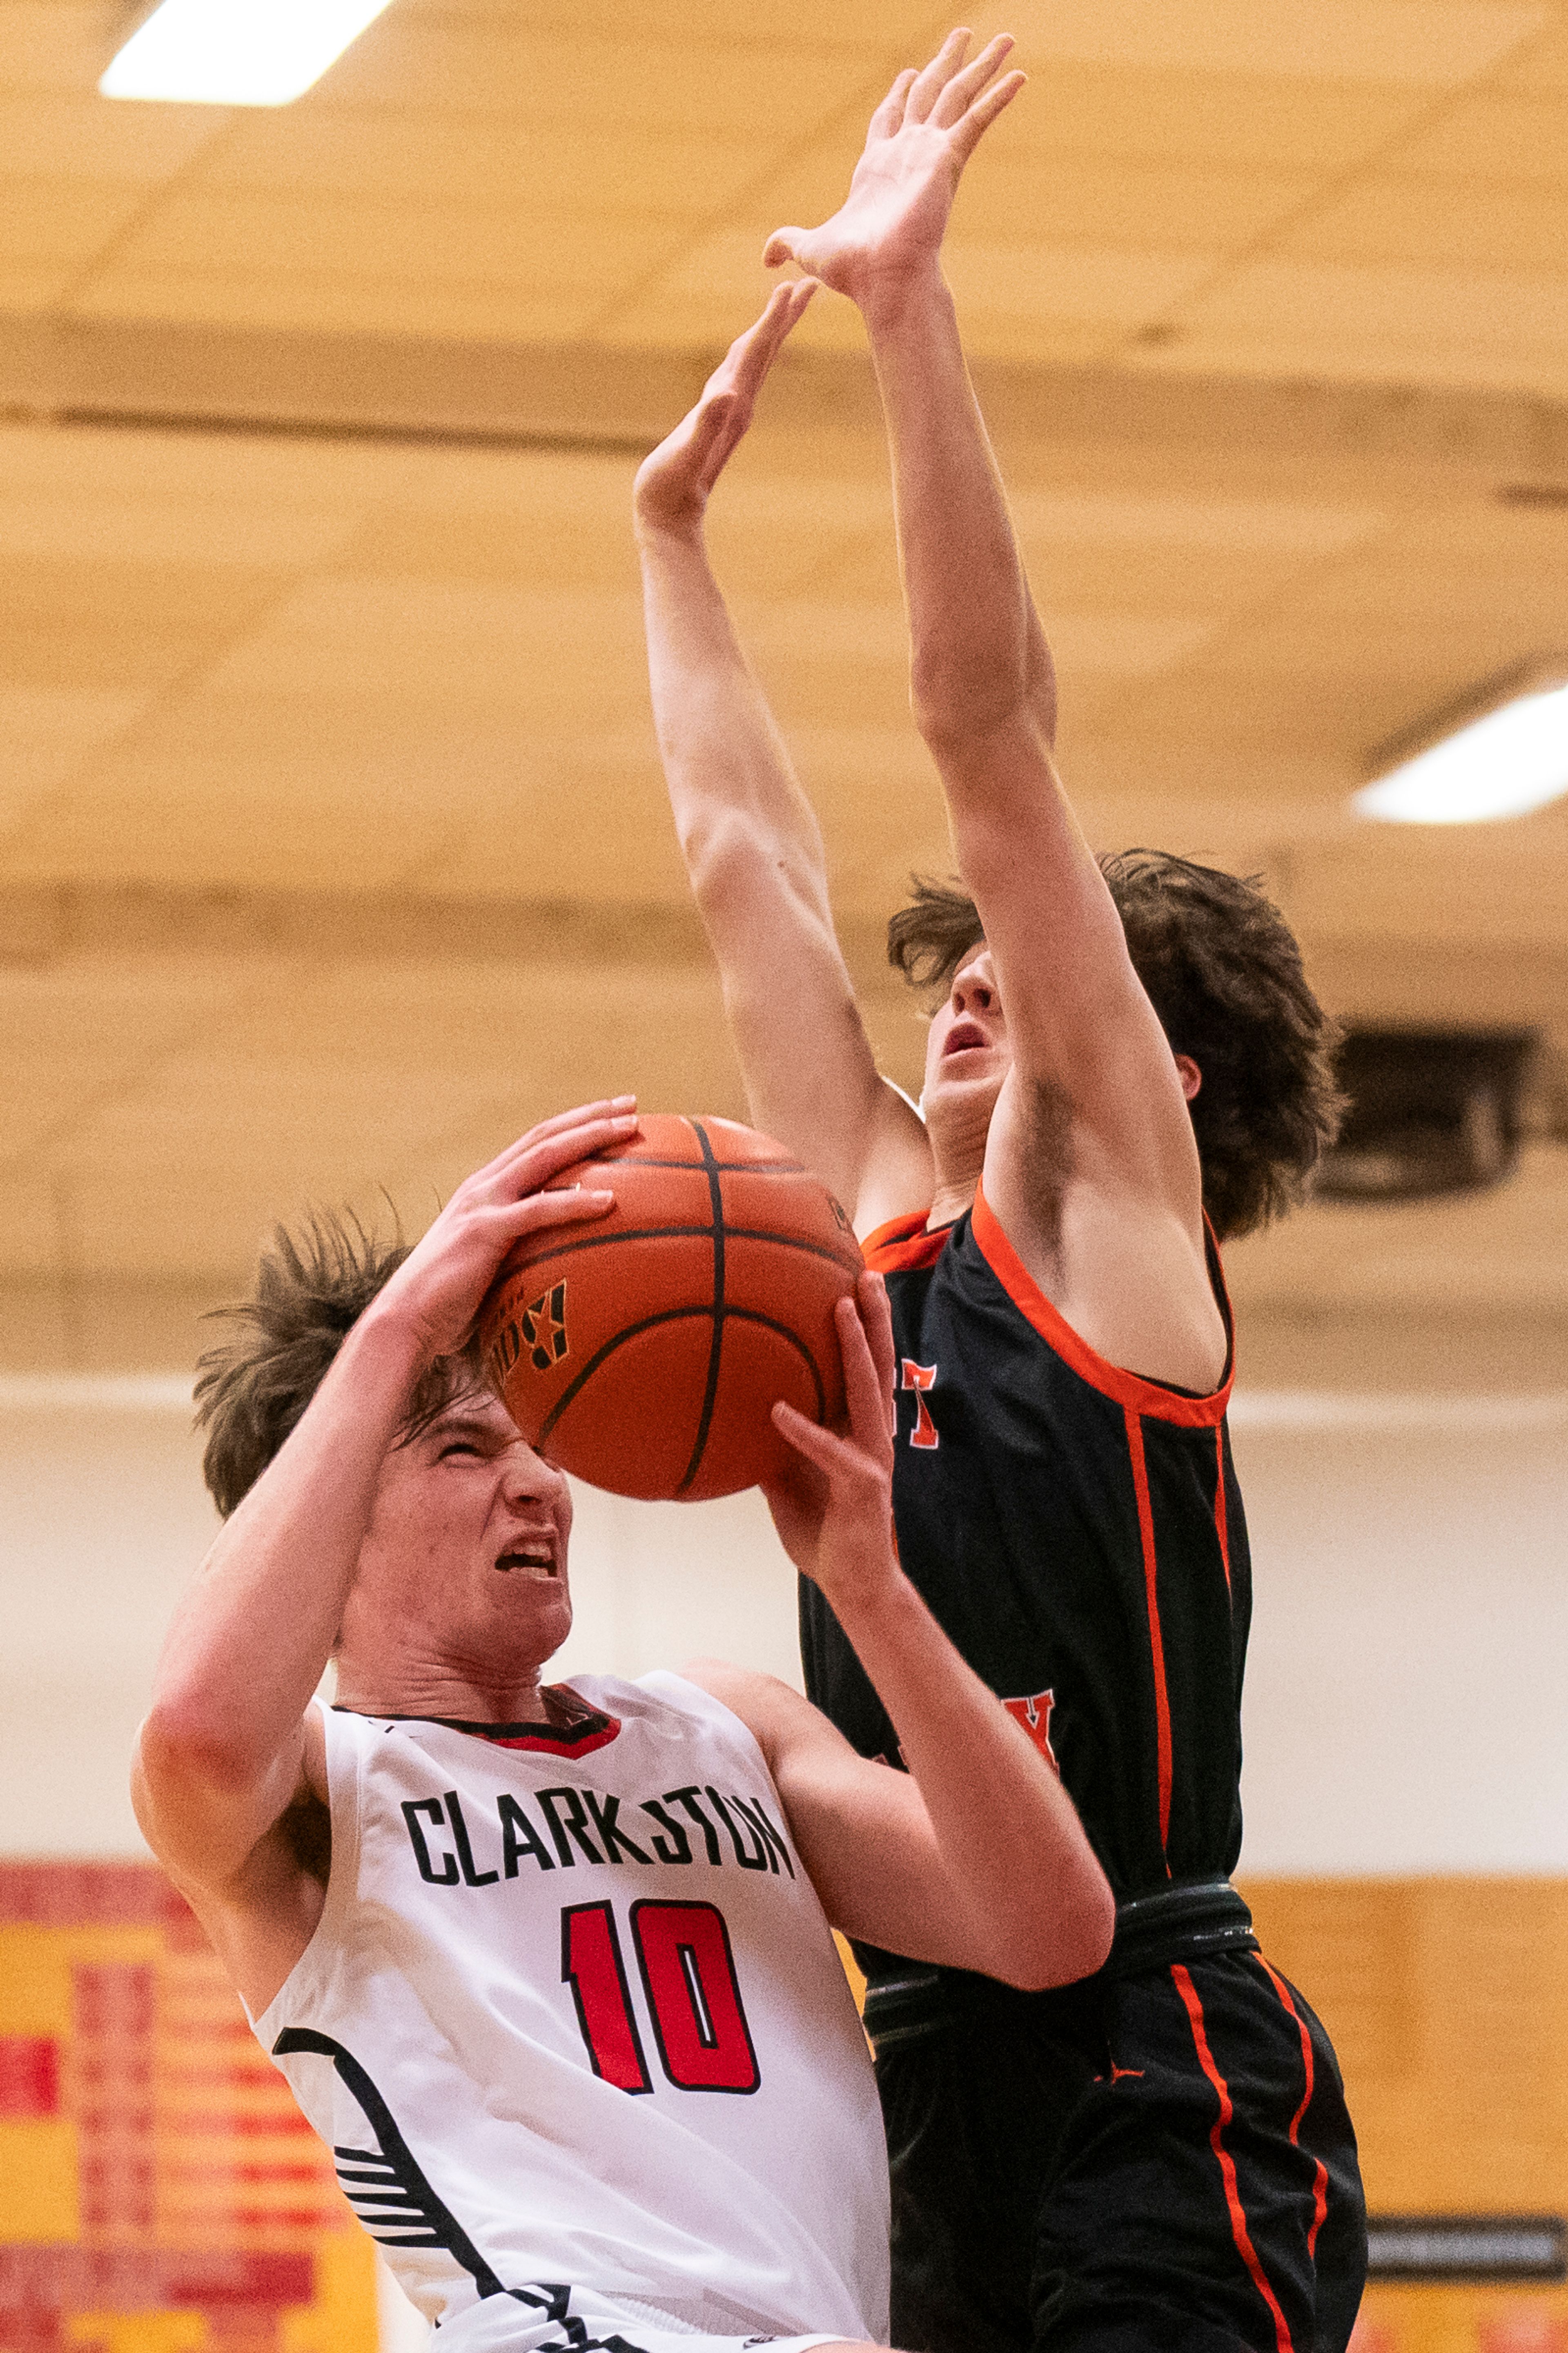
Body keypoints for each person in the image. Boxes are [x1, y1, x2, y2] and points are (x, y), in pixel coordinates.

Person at [635, 31, 1365, 2353]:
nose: (965, 992)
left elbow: (982, 729)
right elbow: (745, 860)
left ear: (1153, 1066)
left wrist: (905, 306)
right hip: (923, 2066)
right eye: (949, 978)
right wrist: (666, 545)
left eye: (1018, 980)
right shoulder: (882, 1235)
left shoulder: (1118, 1250)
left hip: (1164, 2061)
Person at [132, 1097, 1113, 2353]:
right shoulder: (319, 1798)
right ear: (329, 1532)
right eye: (460, 1449)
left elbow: (1048, 1927)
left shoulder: (726, 1723)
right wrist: (401, 1326)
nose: (539, 1479)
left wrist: (870, 1587)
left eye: (537, 1441)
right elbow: (199, 1731)